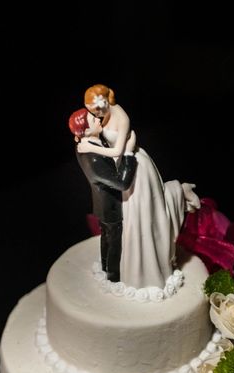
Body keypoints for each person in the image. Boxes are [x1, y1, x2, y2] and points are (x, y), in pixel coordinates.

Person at [78, 84, 200, 289]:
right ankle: (134, 262)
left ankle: (179, 192)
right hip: (122, 167)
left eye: (96, 110)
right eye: (92, 112)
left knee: (144, 212)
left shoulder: (122, 117)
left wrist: (90, 147)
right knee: (134, 217)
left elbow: (118, 151)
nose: (96, 115)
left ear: (105, 100)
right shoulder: (103, 114)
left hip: (135, 168)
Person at [69, 108, 137, 282]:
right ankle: (113, 275)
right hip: (110, 205)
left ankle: (105, 266)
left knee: (106, 236)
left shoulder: (86, 145)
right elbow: (122, 183)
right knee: (114, 240)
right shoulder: (93, 159)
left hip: (101, 204)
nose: (98, 119)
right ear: (85, 131)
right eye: (93, 120)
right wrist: (128, 153)